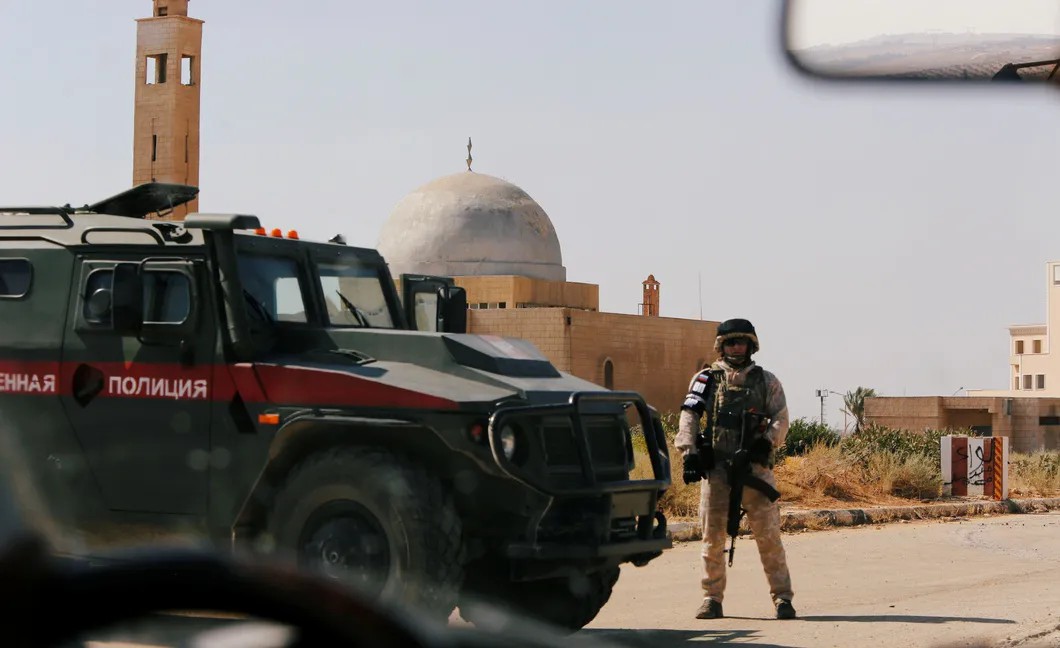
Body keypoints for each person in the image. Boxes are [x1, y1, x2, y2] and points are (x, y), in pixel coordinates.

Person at [674, 318, 796, 620]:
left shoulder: (767, 381)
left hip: (755, 470)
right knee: (712, 538)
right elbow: (689, 416)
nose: (736, 347)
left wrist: (766, 443)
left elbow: (781, 418)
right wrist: (689, 454)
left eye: (741, 342)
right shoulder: (705, 379)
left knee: (769, 538)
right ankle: (711, 598)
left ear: (751, 345)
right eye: (730, 342)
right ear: (721, 346)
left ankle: (782, 598)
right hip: (717, 470)